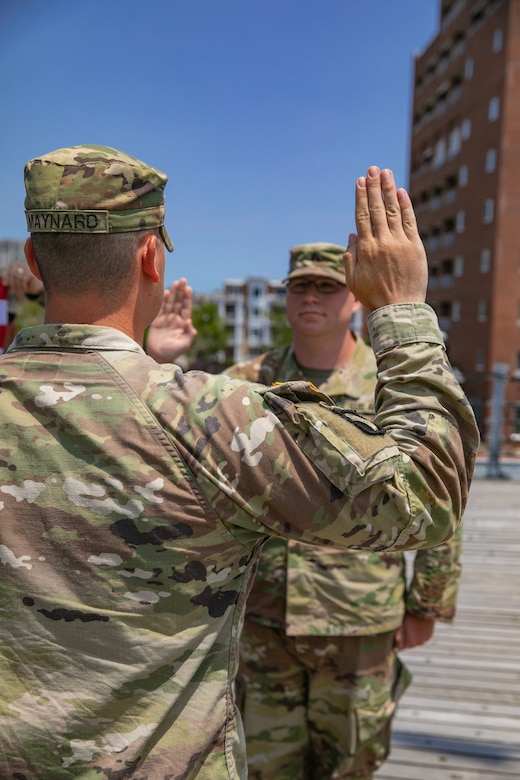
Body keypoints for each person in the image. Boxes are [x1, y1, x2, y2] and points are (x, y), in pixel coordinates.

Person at [0, 145, 479, 779]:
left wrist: (426, 602)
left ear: (34, 261)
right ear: (150, 256)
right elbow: (428, 497)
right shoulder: (215, 414)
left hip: (357, 620)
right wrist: (404, 310)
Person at [223, 242, 463, 779]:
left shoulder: (394, 384)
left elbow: (440, 487)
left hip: (358, 614)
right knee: (264, 764)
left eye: (327, 286)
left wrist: (427, 601)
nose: (311, 297)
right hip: (264, 615)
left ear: (353, 297)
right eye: (300, 286)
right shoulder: (245, 381)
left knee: (351, 762)